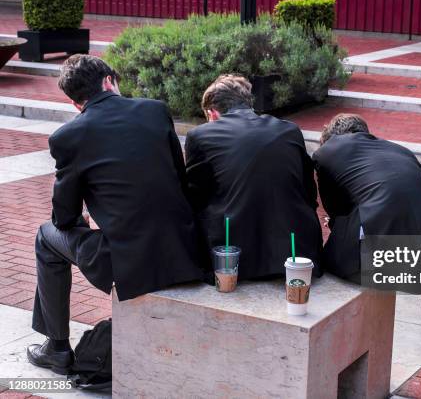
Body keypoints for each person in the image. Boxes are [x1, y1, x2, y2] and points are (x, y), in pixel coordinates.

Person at [27, 55, 203, 374]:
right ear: (110, 81)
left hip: (128, 262)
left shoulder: (69, 135)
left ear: (75, 102)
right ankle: (57, 346)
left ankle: (56, 347)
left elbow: (63, 217)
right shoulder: (155, 110)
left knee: (45, 237)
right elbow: (180, 178)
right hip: (184, 246)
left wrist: (87, 217)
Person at [312, 114, 421, 385]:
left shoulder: (326, 152)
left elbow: (337, 209)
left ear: (331, 137)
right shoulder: (400, 150)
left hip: (377, 249)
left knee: (330, 264)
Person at [185, 74, 322, 280]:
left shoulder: (201, 136)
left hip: (236, 259)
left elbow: (195, 196)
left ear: (212, 113)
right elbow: (309, 192)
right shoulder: (289, 130)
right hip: (296, 253)